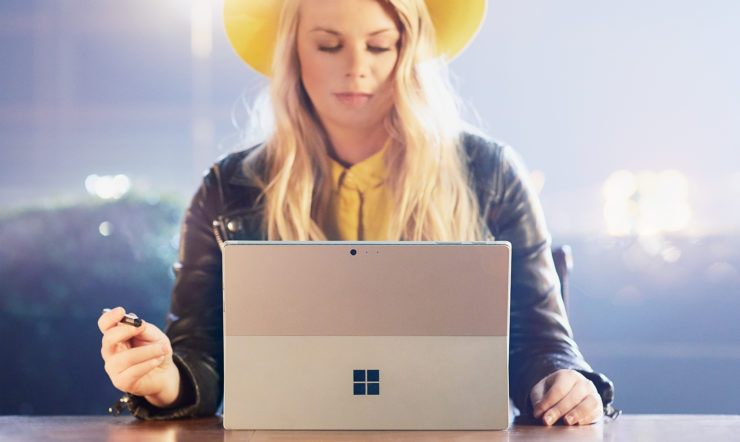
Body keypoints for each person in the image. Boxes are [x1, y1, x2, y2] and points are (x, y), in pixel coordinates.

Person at [98, 0, 616, 426]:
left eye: (379, 45)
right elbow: (200, 351)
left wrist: (562, 383)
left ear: (408, 50)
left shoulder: (493, 173)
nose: (355, 67)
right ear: (293, 50)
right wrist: (165, 380)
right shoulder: (228, 189)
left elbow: (543, 341)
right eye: (328, 45)